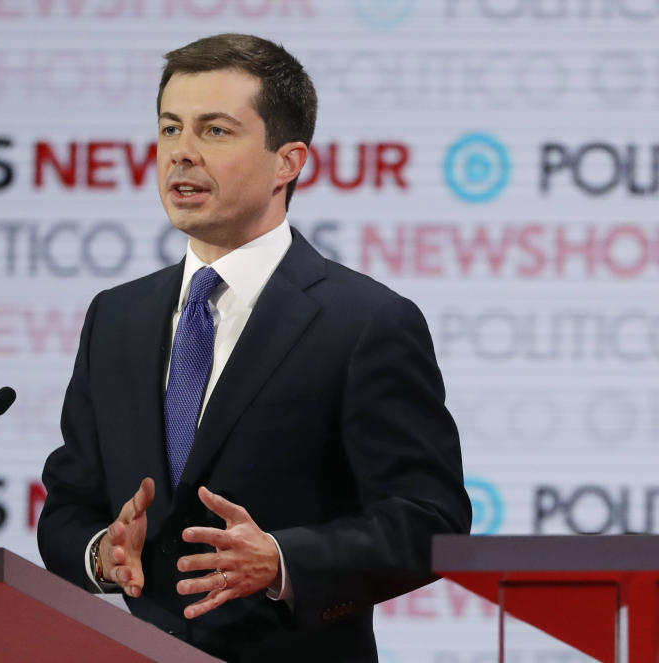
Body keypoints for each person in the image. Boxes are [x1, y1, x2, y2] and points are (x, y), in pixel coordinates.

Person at [38, 33, 471, 662]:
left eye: (215, 131)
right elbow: (68, 505)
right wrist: (102, 553)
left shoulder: (364, 323)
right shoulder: (117, 317)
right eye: (169, 129)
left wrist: (282, 560)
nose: (181, 154)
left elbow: (431, 522)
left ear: (288, 161)